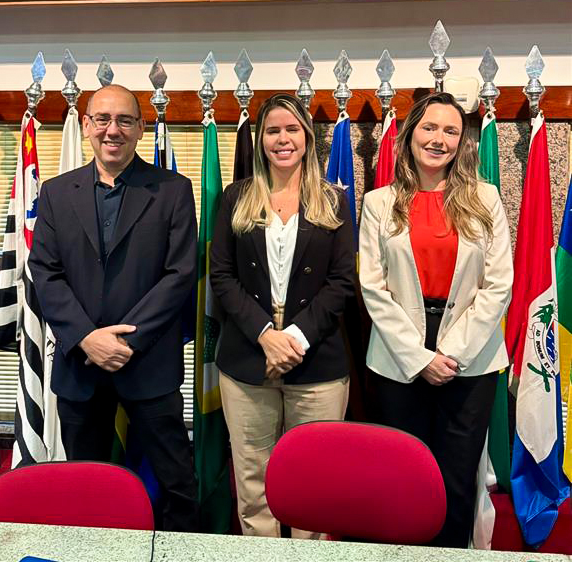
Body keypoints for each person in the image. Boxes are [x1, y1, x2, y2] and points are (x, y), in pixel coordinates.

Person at [29, 84, 199, 531]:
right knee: (86, 488)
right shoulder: (55, 193)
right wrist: (87, 338)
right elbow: (44, 271)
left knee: (178, 485)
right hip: (81, 367)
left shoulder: (173, 190)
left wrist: (125, 341)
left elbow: (180, 274)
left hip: (149, 365)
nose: (113, 130)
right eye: (102, 119)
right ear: (86, 125)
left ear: (141, 128)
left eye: (124, 120)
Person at [359, 91, 513, 548]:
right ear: (410, 135)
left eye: (450, 131)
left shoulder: (485, 198)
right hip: (397, 357)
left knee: (456, 480)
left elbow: (498, 284)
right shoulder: (379, 203)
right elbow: (373, 286)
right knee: (403, 478)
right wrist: (419, 357)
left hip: (470, 356)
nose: (438, 139)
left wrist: (451, 352)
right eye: (429, 128)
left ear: (462, 142)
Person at [210, 93, 355, 538]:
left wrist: (293, 337)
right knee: (253, 481)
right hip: (246, 356)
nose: (282, 139)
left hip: (316, 359)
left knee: (315, 480)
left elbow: (342, 281)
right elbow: (221, 276)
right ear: (260, 140)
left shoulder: (333, 200)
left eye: (292, 129)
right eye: (272, 131)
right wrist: (264, 334)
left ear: (307, 137)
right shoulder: (235, 198)